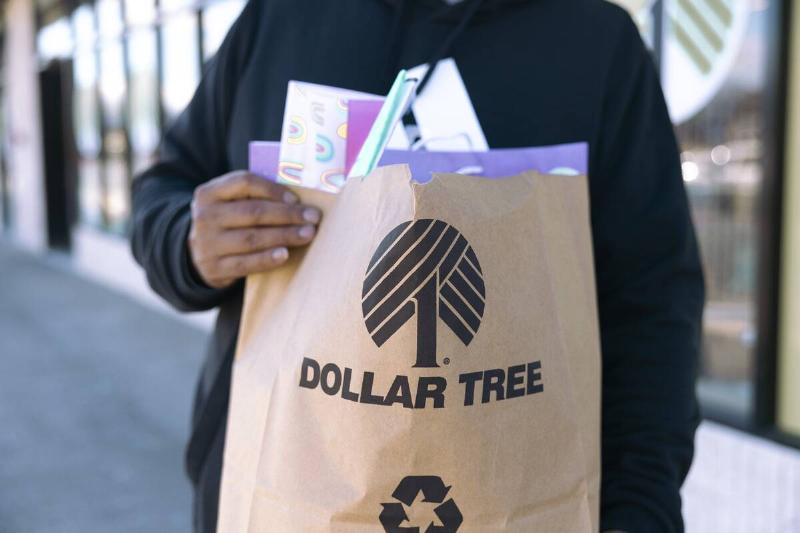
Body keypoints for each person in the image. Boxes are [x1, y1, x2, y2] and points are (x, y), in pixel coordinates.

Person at [130, 0, 705, 531]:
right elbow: (166, 188)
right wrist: (188, 242)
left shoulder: (594, 42)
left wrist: (641, 505)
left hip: (528, 507)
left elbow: (653, 302)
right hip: (278, 498)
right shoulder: (280, 17)